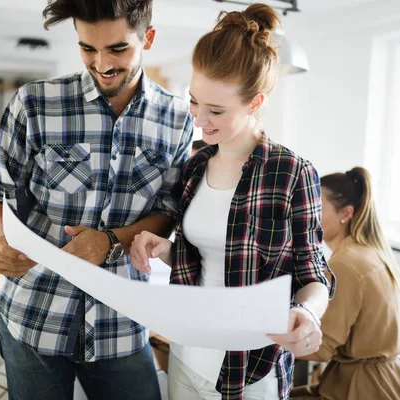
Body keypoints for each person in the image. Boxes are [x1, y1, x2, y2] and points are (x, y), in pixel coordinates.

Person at [0, 0, 194, 399]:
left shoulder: (178, 119)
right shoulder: (35, 102)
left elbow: (168, 210)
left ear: (148, 38)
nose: (102, 64)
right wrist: (0, 239)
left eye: (117, 49)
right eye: (87, 48)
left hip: (123, 321)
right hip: (34, 313)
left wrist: (111, 240)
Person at [130, 4, 335, 400]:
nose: (199, 118)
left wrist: (308, 313)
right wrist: (166, 249)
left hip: (251, 368)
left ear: (255, 103)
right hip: (187, 354)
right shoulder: (196, 164)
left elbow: (315, 274)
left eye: (216, 110)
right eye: (194, 101)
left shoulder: (291, 172)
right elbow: (209, 259)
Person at [290, 167, 400, 400]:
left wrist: (263, 332)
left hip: (358, 390)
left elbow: (320, 348)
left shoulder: (346, 264)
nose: (307, 213)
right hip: (386, 385)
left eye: (317, 206)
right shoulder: (369, 252)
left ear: (345, 213)